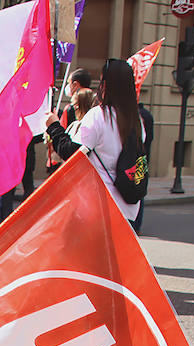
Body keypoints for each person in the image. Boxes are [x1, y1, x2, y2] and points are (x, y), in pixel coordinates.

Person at [45, 58, 145, 227]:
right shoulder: (137, 121)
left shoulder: (99, 115)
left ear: (106, 84)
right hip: (127, 208)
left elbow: (71, 152)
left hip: (99, 206)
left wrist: (54, 126)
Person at [47, 67, 92, 174]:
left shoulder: (69, 109)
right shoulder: (96, 107)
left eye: (69, 83)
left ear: (75, 84)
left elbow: (61, 133)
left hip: (67, 160)